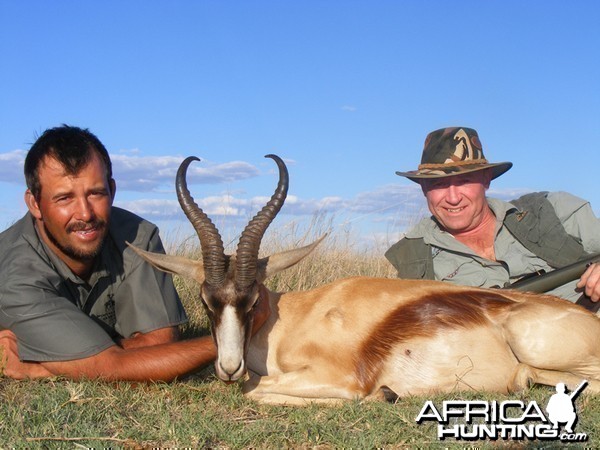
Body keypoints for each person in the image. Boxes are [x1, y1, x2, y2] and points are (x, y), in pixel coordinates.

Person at [0, 125, 269, 381]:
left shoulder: (137, 236)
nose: (85, 213)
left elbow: (159, 341)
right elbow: (112, 368)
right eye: (64, 198)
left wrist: (56, 366)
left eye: (96, 193)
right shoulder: (16, 273)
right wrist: (238, 338)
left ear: (113, 190)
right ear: (35, 204)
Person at [385, 126, 600, 306]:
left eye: (464, 181)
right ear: (423, 188)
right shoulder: (413, 262)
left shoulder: (552, 209)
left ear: (486, 179)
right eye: (438, 184)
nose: (452, 198)